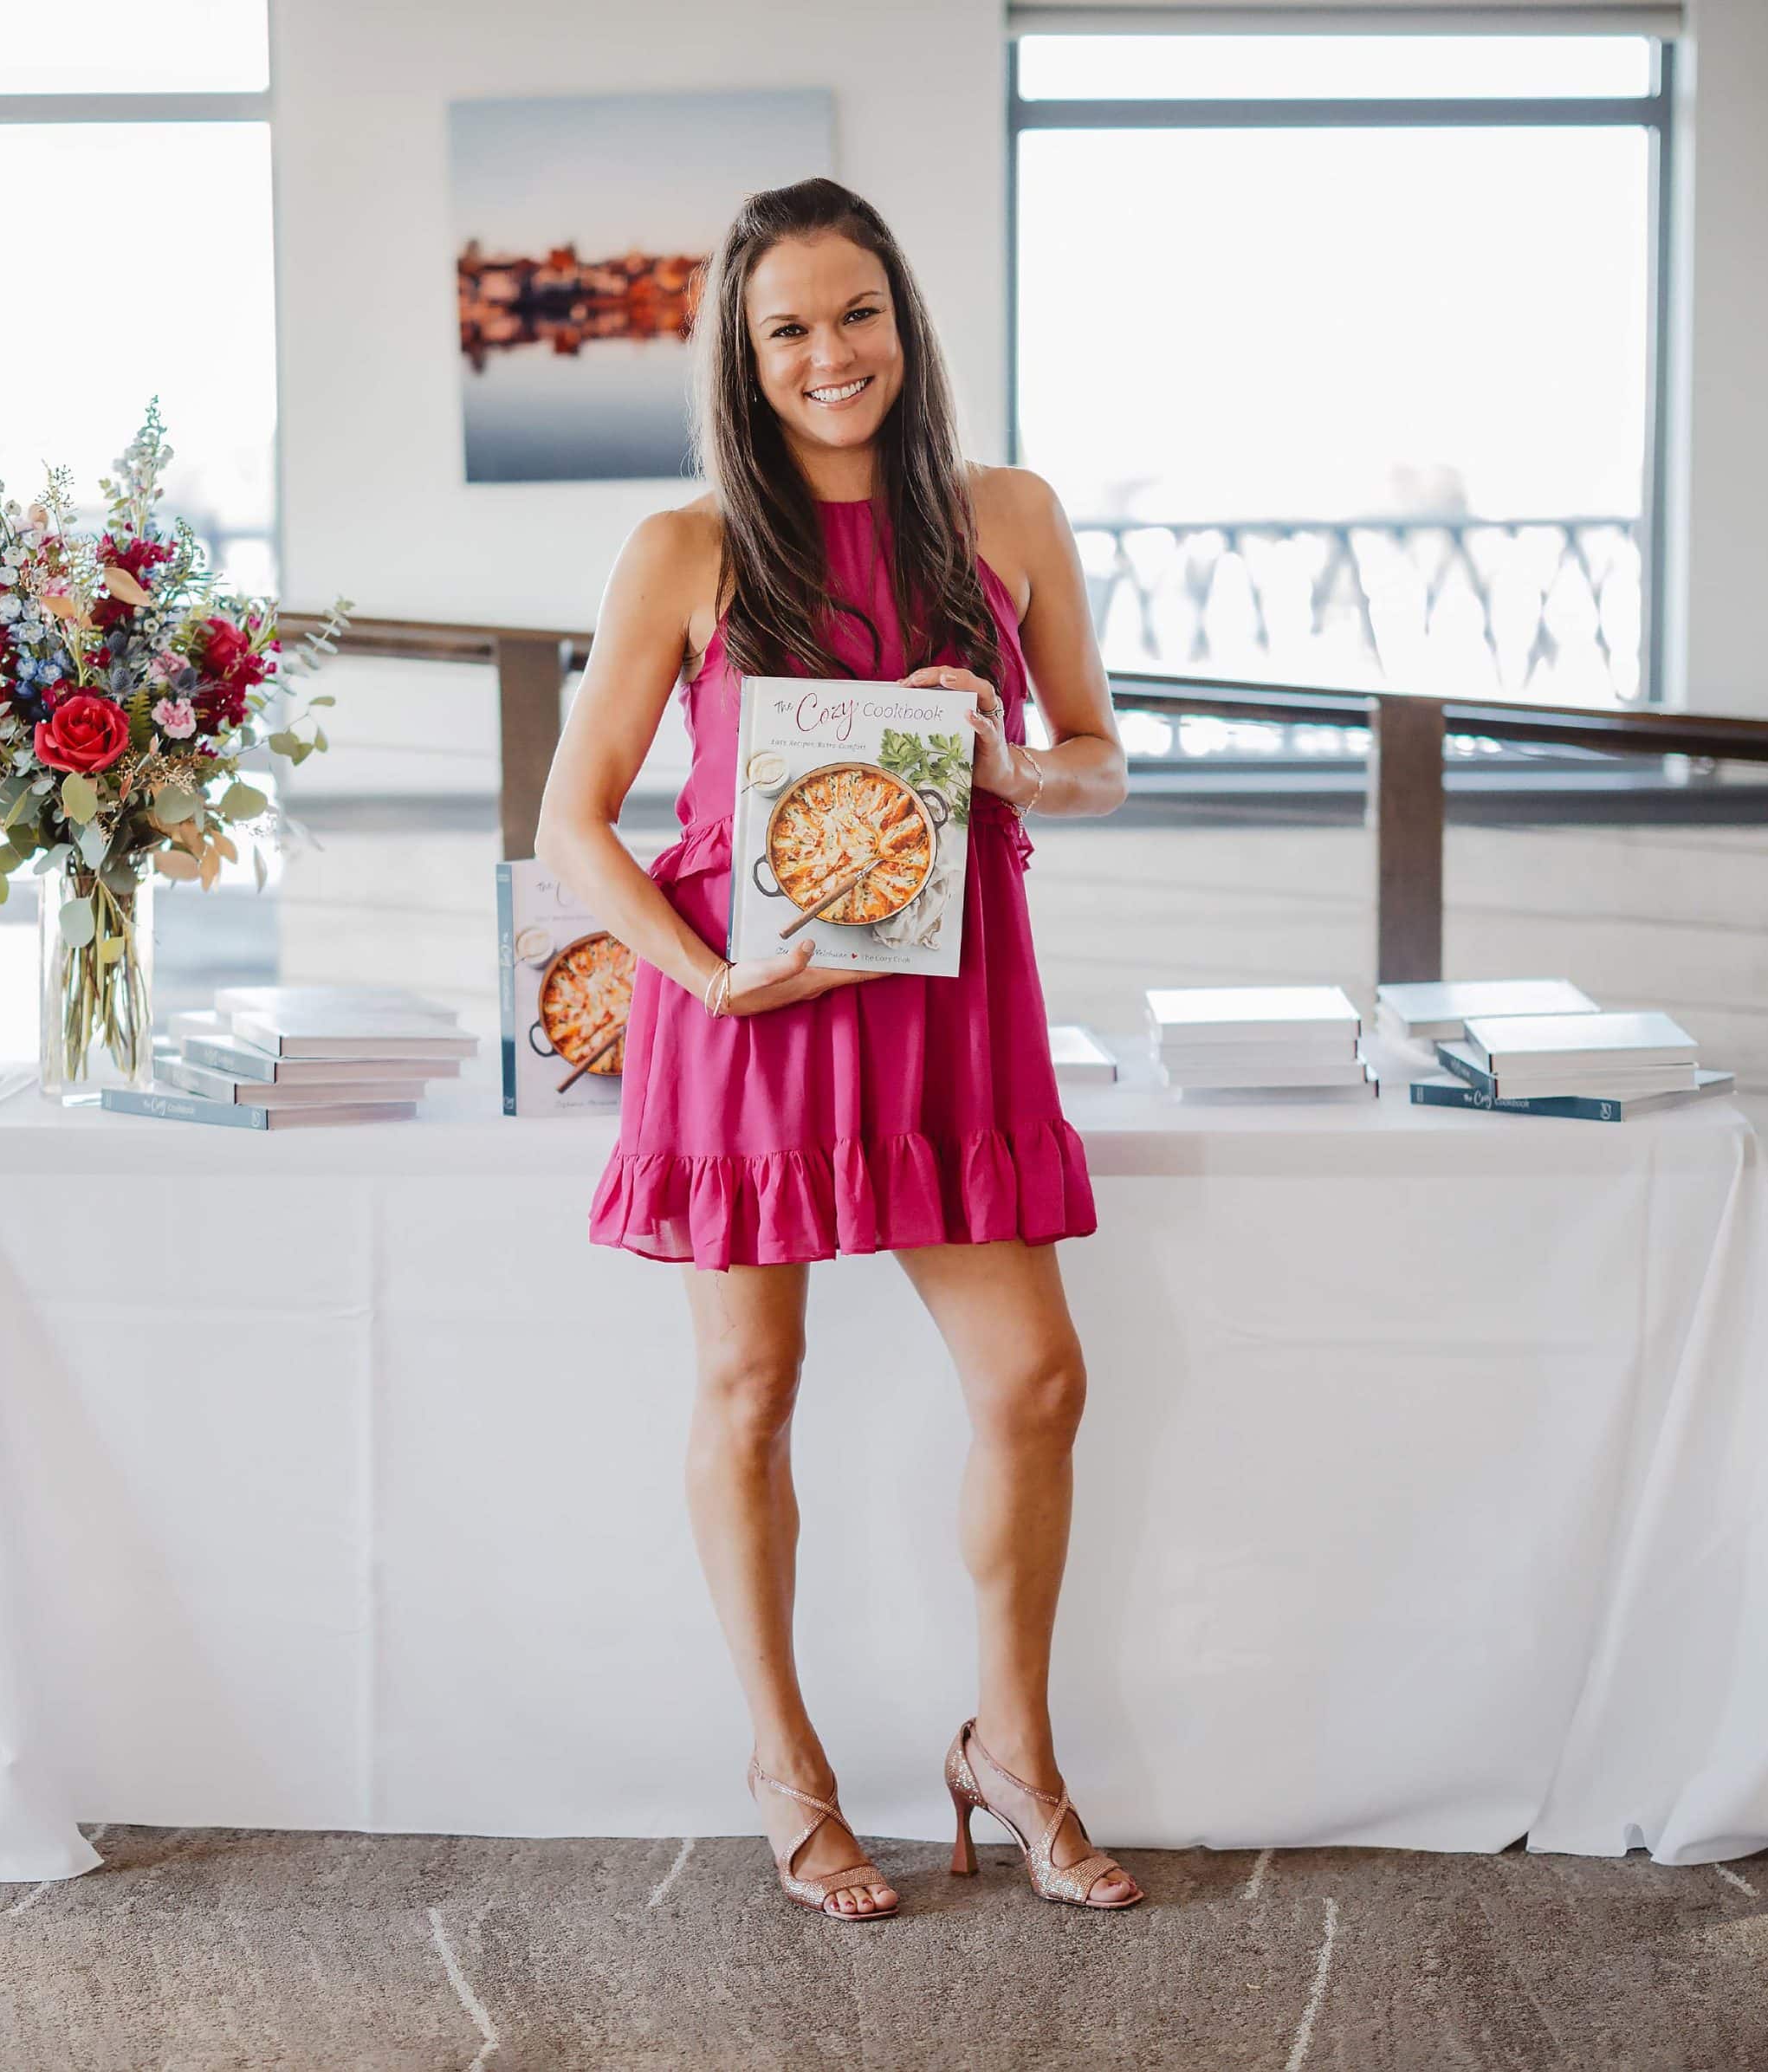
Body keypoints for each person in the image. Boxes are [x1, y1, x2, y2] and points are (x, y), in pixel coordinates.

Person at [533, 178, 1140, 1918]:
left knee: (1032, 1378)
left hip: (953, 998)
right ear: (741, 348)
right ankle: (784, 1765)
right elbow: (574, 823)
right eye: (786, 325)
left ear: (902, 317)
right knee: (749, 1387)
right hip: (752, 1008)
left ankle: (1005, 1750)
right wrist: (700, 976)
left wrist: (1016, 764)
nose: (828, 354)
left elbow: (1098, 753)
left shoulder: (1006, 515)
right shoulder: (684, 546)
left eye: (854, 313)